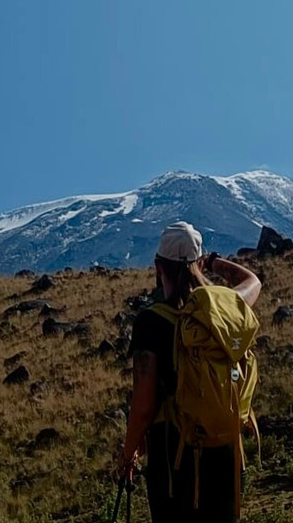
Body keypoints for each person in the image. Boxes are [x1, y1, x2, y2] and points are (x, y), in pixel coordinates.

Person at [119, 221, 262, 522]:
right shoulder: (224, 312)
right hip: (224, 452)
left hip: (175, 460)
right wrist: (213, 262)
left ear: (158, 266)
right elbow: (252, 281)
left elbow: (143, 407)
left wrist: (128, 453)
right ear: (199, 262)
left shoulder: (151, 322)